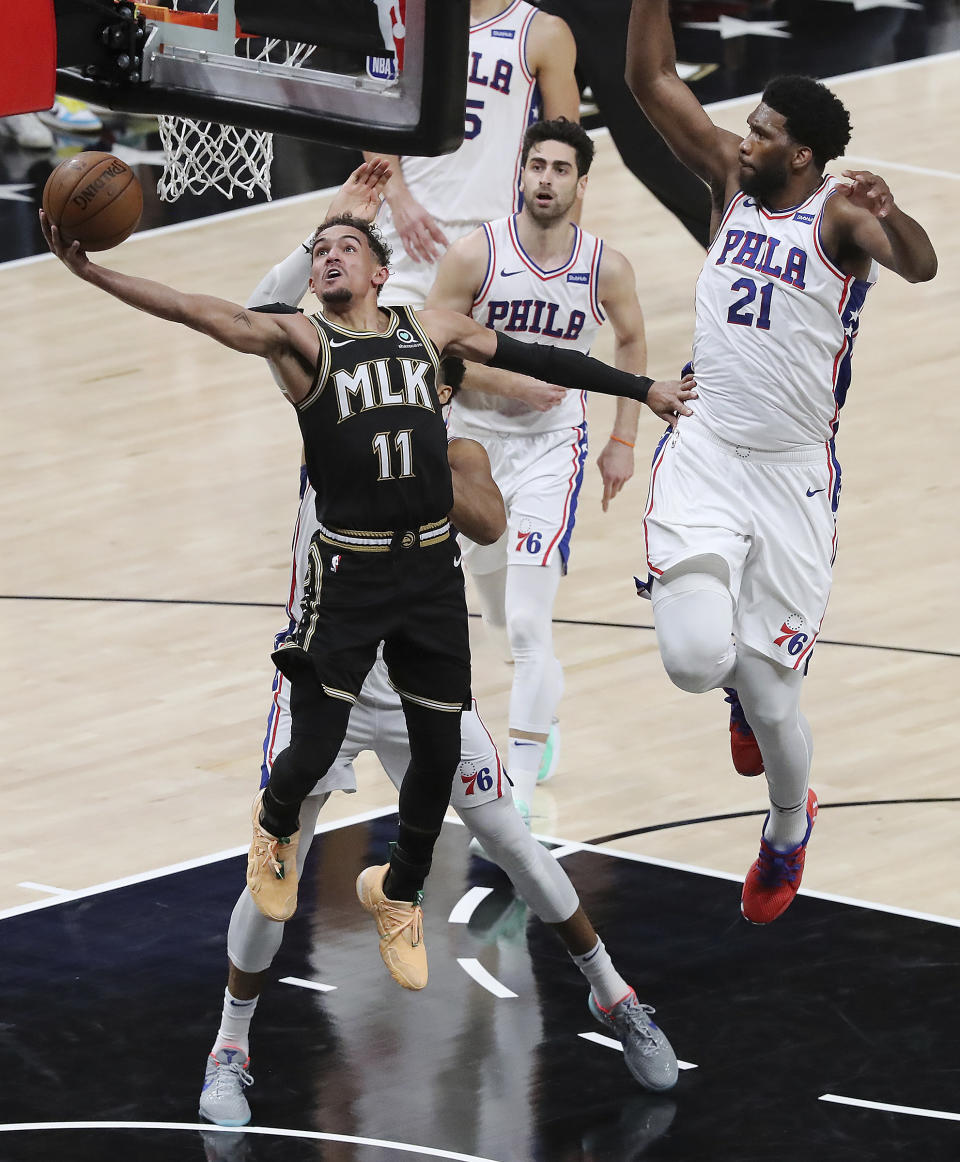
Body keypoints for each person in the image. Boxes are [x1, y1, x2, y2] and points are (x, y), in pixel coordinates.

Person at [40, 174, 695, 986]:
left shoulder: (435, 342)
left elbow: (536, 358)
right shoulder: (304, 345)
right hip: (345, 576)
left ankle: (412, 896)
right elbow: (199, 310)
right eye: (319, 250)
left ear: (382, 274)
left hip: (422, 577)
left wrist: (643, 390)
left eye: (346, 245)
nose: (328, 255)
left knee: (436, 759)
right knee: (310, 750)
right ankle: (269, 857)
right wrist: (93, 273)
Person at [197, 368, 678, 1130]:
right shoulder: (326, 428)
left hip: (419, 682)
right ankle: (231, 1048)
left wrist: (417, 459)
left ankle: (615, 996)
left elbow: (487, 523)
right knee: (274, 866)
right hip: (329, 679)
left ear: (439, 396)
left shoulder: (461, 458)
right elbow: (259, 315)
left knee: (514, 842)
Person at [625, 0, 937, 924]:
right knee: (692, 658)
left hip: (794, 476)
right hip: (710, 448)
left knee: (773, 702)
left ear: (800, 153)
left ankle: (789, 828)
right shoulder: (729, 178)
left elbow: (919, 265)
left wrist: (895, 212)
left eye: (761, 130)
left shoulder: (840, 217)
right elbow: (651, 83)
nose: (742, 136)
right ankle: (729, 678)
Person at [425, 116, 654, 819]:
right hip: (472, 445)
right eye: (537, 166)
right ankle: (539, 711)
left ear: (582, 183)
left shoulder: (604, 266)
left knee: (527, 625)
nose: (546, 179)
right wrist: (510, 386)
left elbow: (633, 337)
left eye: (561, 169)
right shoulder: (473, 257)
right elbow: (435, 353)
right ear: (520, 173)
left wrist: (623, 437)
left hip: (554, 450)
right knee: (497, 614)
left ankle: (516, 789)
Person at [365, 0, 580, 309]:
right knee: (385, 352)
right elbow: (377, 119)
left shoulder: (543, 32)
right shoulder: (406, 20)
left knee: (481, 358)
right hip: (407, 231)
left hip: (497, 239)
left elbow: (569, 154)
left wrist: (562, 253)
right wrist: (398, 198)